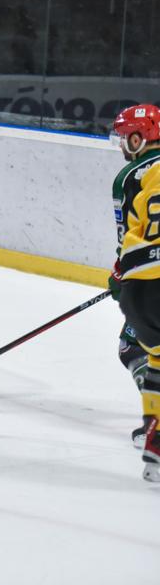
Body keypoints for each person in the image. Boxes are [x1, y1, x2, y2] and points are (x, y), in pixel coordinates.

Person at [109, 104, 160, 447]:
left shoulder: (129, 178)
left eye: (126, 137)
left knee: (133, 347)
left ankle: (155, 425)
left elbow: (128, 238)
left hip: (151, 279)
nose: (123, 145)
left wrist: (119, 278)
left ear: (141, 137)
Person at [117, 158, 160, 483]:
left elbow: (128, 232)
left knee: (149, 353)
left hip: (139, 286)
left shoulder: (137, 175)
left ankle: (154, 437)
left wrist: (121, 275)